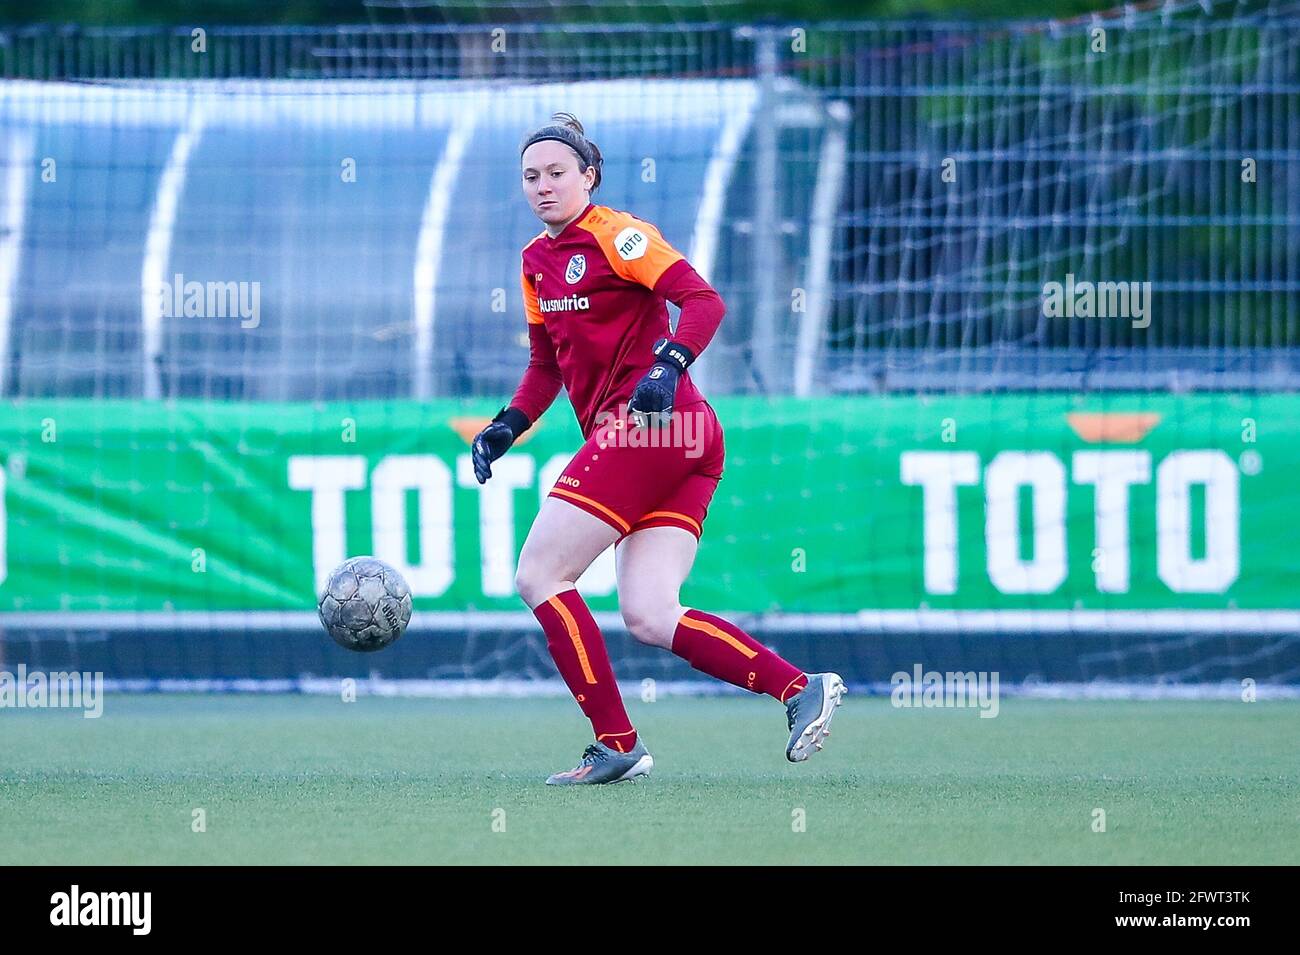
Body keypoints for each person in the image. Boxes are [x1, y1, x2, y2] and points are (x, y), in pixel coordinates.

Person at [472, 112, 844, 785]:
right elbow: (545, 368)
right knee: (649, 613)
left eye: (557, 172)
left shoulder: (619, 235)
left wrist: (667, 364)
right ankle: (800, 688)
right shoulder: (534, 262)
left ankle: (616, 742)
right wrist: (506, 425)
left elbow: (701, 301)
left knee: (539, 575)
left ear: (589, 175)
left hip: (655, 428)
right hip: (681, 441)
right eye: (531, 176)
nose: (543, 186)